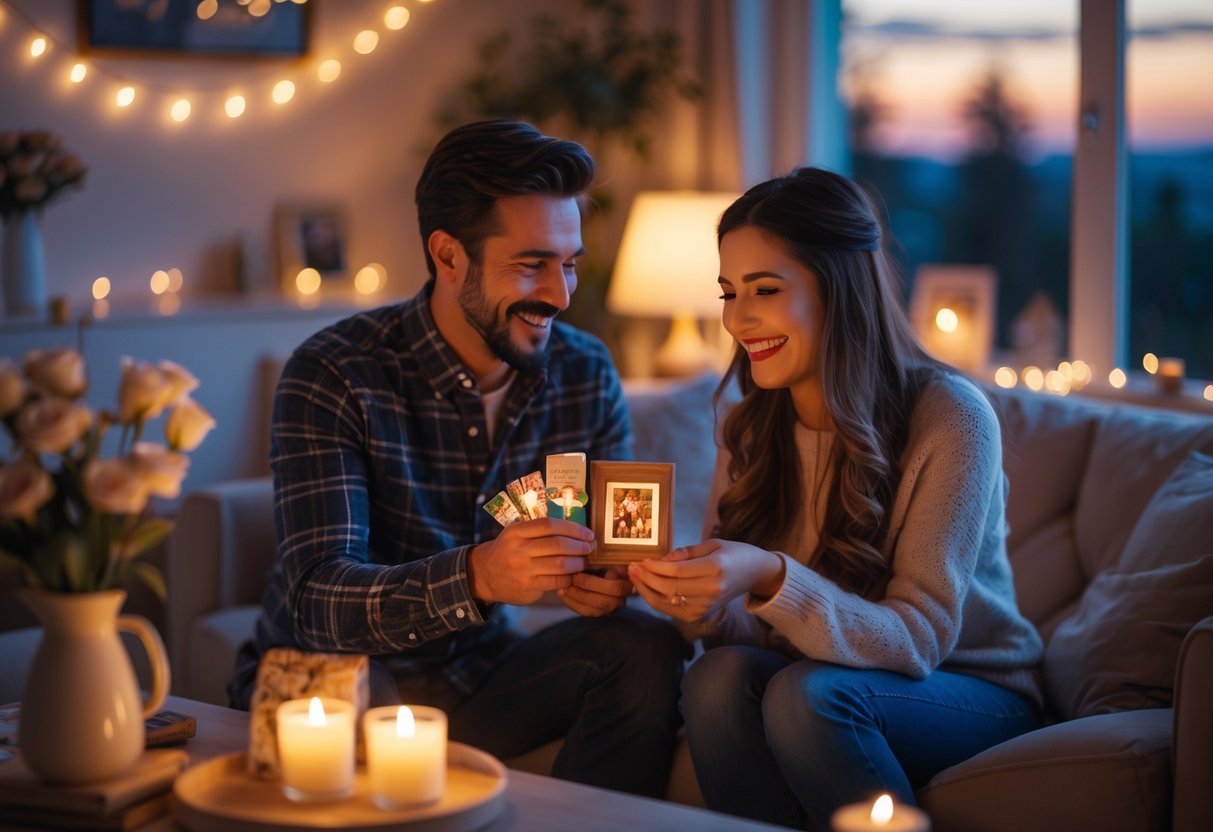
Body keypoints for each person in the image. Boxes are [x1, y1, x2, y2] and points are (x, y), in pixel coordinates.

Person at [230, 119, 688, 797]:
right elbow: (317, 603)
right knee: (354, 687)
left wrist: (604, 581)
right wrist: (479, 576)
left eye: (569, 263)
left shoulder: (585, 372)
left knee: (646, 649)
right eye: (532, 264)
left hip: (483, 672)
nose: (560, 297)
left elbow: (605, 547)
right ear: (447, 257)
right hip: (335, 672)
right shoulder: (334, 372)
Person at [627, 167, 1044, 829]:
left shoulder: (951, 417)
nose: (738, 318)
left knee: (806, 696)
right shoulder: (750, 423)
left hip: (972, 689)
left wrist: (768, 573)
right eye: (729, 292)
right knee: (714, 680)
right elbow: (751, 638)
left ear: (839, 290)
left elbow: (918, 639)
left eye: (765, 289)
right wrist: (702, 604)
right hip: (821, 679)